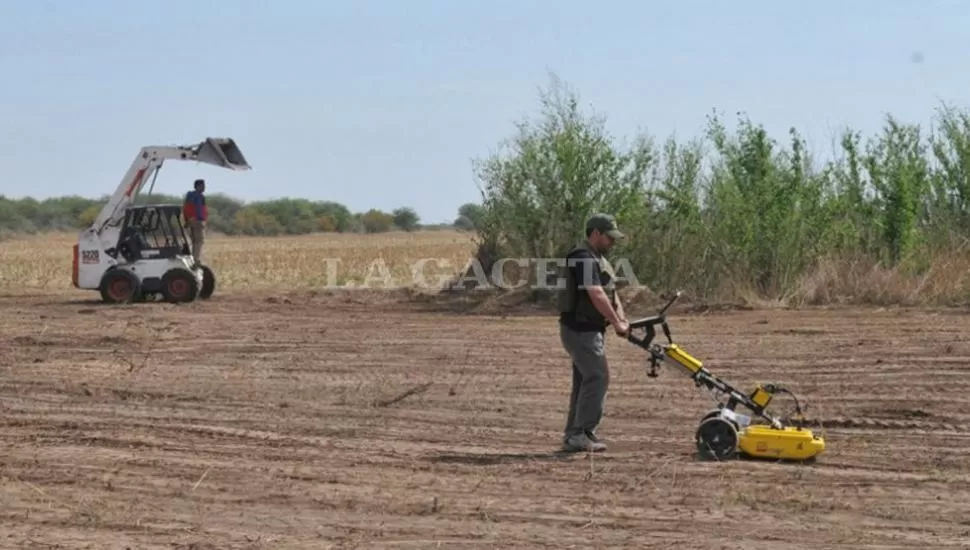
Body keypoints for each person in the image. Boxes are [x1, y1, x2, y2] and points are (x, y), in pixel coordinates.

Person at [557, 213, 630, 453]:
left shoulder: (596, 258)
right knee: (598, 377)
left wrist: (620, 317)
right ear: (596, 234)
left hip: (589, 330)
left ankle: (574, 434)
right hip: (579, 331)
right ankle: (581, 432)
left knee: (584, 381)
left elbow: (610, 291)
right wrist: (616, 323)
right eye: (609, 238)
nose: (612, 242)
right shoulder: (582, 257)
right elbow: (595, 293)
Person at [183, 178, 207, 265]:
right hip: (198, 221)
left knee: (193, 241)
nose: (204, 188)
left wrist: (187, 220)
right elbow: (201, 210)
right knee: (199, 241)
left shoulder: (189, 195)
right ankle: (195, 260)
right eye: (203, 186)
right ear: (198, 186)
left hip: (190, 221)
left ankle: (191, 259)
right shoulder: (200, 196)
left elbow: (185, 208)